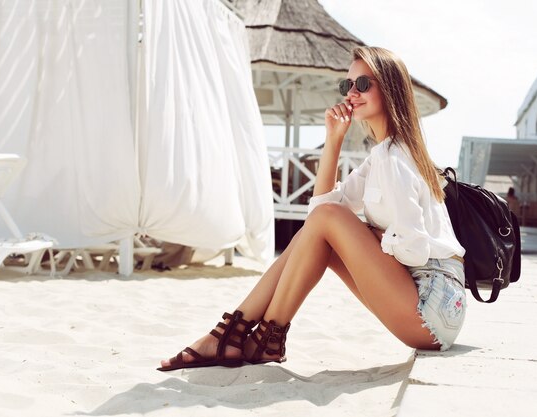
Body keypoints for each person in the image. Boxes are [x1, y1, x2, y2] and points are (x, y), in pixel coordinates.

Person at [158, 46, 467, 371]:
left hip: (432, 306)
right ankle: (258, 338)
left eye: (363, 84)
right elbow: (320, 213)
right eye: (347, 85)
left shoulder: (394, 158)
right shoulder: (381, 155)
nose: (352, 93)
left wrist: (373, 235)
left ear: (389, 89)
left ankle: (232, 335)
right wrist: (333, 140)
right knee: (321, 230)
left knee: (328, 222)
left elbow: (415, 250)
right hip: (426, 303)